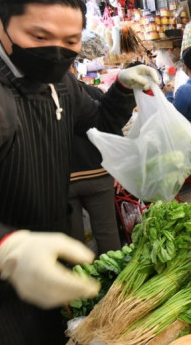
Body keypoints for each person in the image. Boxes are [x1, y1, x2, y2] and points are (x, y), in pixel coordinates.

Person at [0, 0, 159, 344]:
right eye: (39, 37)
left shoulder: (61, 84)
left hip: (44, 274)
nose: (56, 51)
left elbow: (98, 125)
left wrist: (121, 88)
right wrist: (6, 248)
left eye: (70, 41)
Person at [69, 82, 122, 255]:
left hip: (65, 180)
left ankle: (80, 278)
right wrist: (118, 169)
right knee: (108, 232)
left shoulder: (46, 95)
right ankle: (116, 279)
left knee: (73, 241)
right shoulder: (93, 92)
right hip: (99, 174)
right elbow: (112, 130)